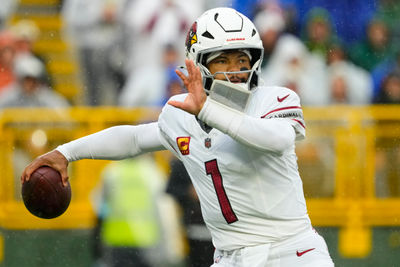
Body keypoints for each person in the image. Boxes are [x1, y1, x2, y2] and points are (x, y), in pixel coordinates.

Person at [21, 7, 334, 266]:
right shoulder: (180, 115)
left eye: (242, 59)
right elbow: (133, 139)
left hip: (292, 252)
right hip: (229, 257)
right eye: (222, 60)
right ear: (197, 63)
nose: (235, 70)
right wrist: (66, 152)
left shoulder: (274, 98)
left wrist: (208, 110)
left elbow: (276, 139)